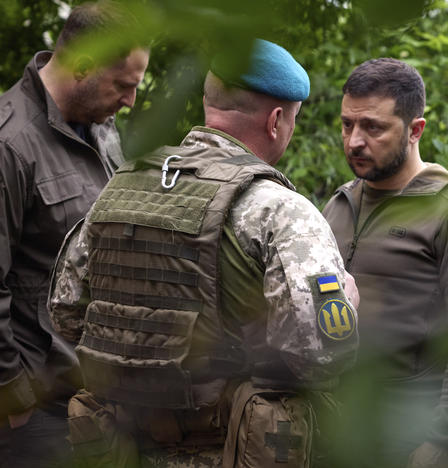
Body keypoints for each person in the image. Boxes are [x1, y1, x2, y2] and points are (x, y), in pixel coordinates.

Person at [48, 38, 359, 467]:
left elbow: (66, 314)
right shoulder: (279, 211)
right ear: (275, 120)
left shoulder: (120, 188)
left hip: (122, 447)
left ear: (209, 103)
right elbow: (322, 354)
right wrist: (349, 303)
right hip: (229, 448)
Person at [323, 58, 448, 468]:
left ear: (415, 130)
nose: (354, 142)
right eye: (347, 125)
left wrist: (442, 441)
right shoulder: (339, 204)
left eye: (373, 127)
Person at [0, 1, 149, 466]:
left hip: (99, 399)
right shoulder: (10, 144)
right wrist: (14, 398)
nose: (130, 101)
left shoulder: (101, 127)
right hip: (37, 410)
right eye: (123, 86)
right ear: (83, 67)